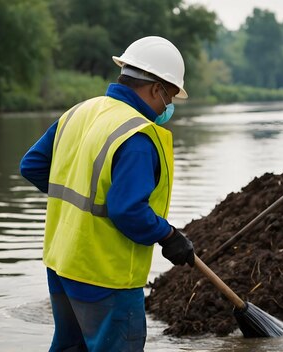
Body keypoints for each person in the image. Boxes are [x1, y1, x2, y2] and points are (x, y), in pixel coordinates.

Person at [20, 36, 195, 351]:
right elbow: (127, 210)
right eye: (169, 97)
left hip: (62, 264)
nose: (167, 107)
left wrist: (82, 193)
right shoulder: (137, 135)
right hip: (106, 274)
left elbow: (32, 165)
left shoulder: (81, 112)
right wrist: (167, 235)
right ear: (156, 88)